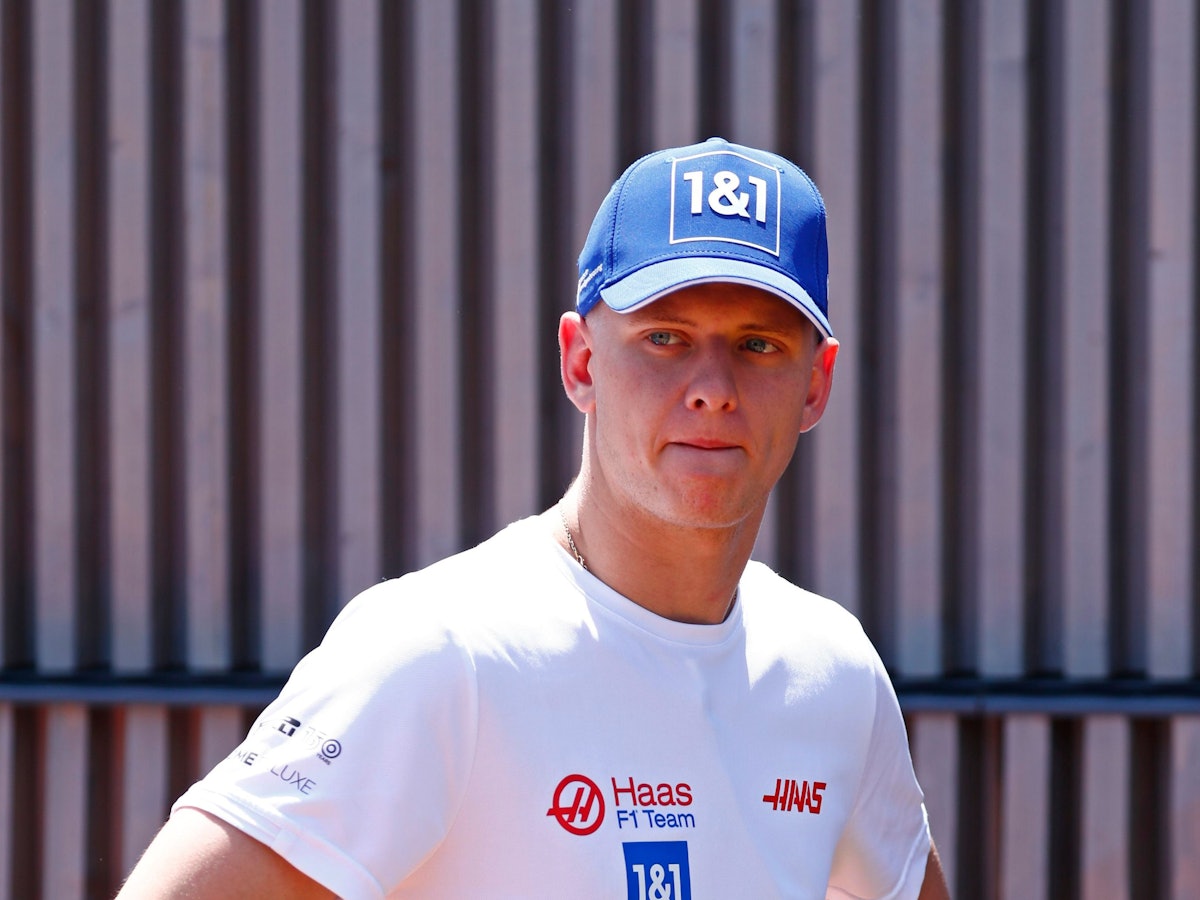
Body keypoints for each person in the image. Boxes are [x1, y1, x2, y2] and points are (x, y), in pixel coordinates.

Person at [118, 137, 950, 899]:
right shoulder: (442, 651)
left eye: (758, 344)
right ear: (581, 361)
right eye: (664, 338)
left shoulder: (831, 672)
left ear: (816, 384)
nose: (712, 386)